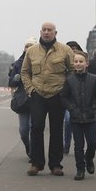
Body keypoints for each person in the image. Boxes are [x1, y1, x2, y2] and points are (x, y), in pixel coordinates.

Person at [21, 22, 74, 176]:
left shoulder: (65, 50)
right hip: (37, 94)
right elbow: (25, 72)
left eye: (49, 30)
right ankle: (36, 163)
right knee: (36, 127)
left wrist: (65, 90)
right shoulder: (31, 51)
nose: (46, 32)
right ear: (40, 32)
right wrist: (30, 89)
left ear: (55, 33)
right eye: (44, 30)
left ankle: (55, 164)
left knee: (57, 129)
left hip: (58, 94)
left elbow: (72, 71)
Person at [61, 51, 96, 180]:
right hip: (76, 117)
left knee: (93, 143)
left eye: (81, 61)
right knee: (78, 145)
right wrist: (71, 108)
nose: (78, 64)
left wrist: (94, 107)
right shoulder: (69, 79)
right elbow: (63, 96)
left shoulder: (94, 79)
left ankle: (89, 159)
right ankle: (80, 169)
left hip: (91, 117)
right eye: (76, 61)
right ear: (73, 64)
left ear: (87, 63)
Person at [8, 37, 37, 157]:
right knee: (23, 130)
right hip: (23, 99)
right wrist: (15, 79)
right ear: (24, 48)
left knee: (33, 127)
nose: (28, 48)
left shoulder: (40, 61)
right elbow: (11, 83)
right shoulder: (17, 64)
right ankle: (28, 146)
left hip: (36, 98)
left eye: (31, 46)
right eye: (27, 46)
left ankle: (34, 152)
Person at [62, 40, 84, 153]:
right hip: (66, 96)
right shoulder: (63, 61)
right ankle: (66, 145)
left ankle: (77, 145)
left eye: (75, 48)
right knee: (68, 121)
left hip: (79, 98)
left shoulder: (82, 61)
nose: (73, 49)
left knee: (72, 122)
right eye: (71, 48)